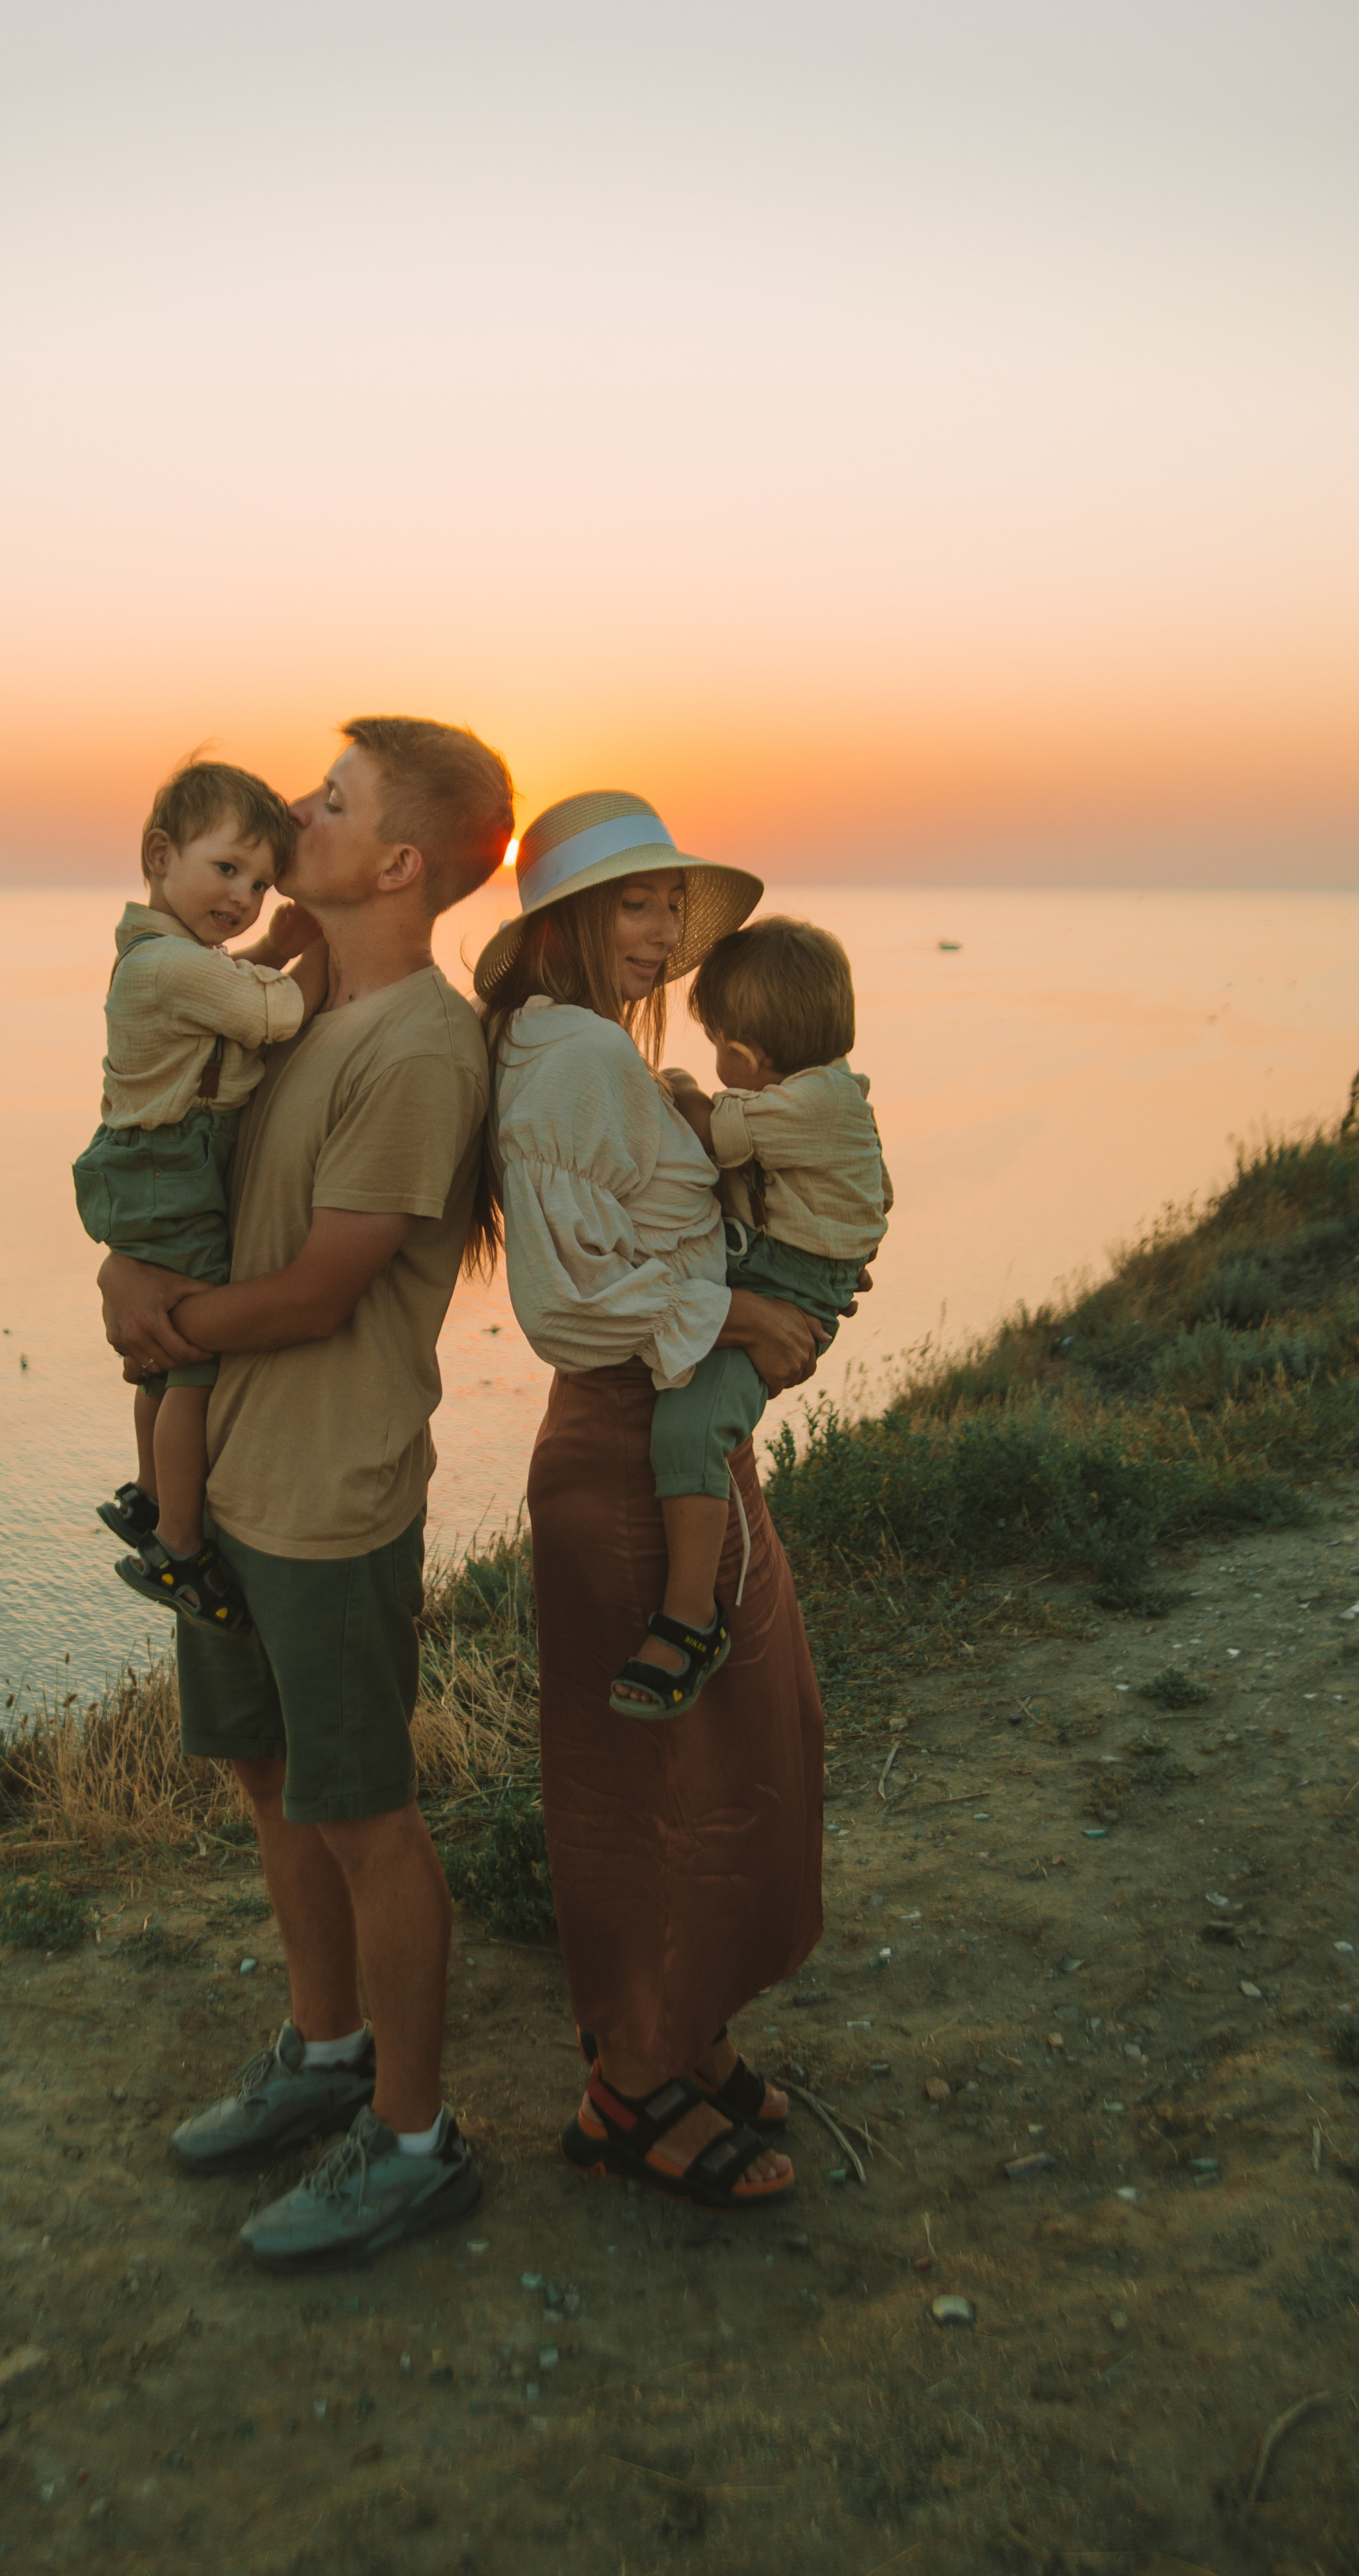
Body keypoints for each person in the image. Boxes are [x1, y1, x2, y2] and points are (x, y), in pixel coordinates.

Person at [98, 714, 515, 2268]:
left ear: (398, 862)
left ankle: (410, 2140)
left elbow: (325, 1286)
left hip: (331, 1496)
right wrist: (127, 1264)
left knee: (361, 1812)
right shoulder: (298, 1008)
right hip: (236, 1480)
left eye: (329, 800)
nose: (294, 809)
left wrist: (163, 1321)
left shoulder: (417, 1046)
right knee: (269, 1778)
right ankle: (327, 2049)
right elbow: (187, 1177)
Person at [477, 788, 832, 2211]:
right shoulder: (569, 1054)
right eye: (633, 899)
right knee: (654, 1788)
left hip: (661, 1444)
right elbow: (564, 1300)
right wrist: (741, 1310)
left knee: (727, 1748)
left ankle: (686, 2033)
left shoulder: (590, 1048)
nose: (662, 925)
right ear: (563, 916)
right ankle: (628, 2088)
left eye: (669, 900)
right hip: (626, 1454)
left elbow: (636, 1229)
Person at [71, 759, 326, 1629]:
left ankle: (150, 1495)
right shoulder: (170, 967)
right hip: (169, 1167)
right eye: (227, 869)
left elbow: (229, 988)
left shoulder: (164, 957)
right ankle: (179, 1547)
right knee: (193, 1363)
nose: (244, 896)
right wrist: (322, 955)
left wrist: (273, 949)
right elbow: (271, 1013)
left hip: (151, 1166)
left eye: (260, 883)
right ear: (160, 855)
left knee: (158, 1356)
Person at [631, 914, 892, 1715]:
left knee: (689, 1429)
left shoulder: (806, 1105)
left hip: (783, 1282)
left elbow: (706, 1130)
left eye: (716, 1044)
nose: (715, 1060)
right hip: (780, 1263)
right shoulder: (824, 1088)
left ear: (744, 1057)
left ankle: (690, 1616)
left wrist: (675, 1086)